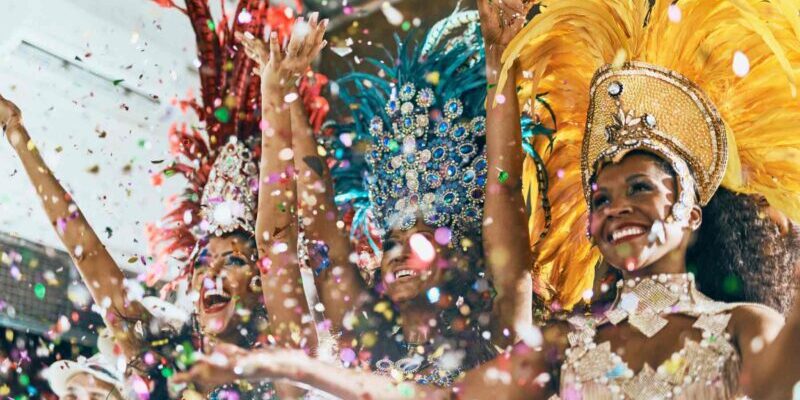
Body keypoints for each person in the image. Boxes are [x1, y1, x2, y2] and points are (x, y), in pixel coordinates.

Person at [175, 0, 800, 398]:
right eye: (601, 197)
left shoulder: (743, 327)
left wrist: (505, 66)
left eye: (640, 187)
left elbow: (505, 204)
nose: (617, 208)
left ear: (692, 212)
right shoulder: (565, 343)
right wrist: (282, 366)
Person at [175, 8, 537, 393]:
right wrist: (286, 92)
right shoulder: (364, 339)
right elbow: (318, 229)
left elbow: (505, 186)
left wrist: (500, 60)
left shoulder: (497, 334)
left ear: (459, 255)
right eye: (392, 243)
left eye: (418, 240)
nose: (397, 254)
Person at [0, 6, 329, 399]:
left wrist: (274, 94)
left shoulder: (284, 363)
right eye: (204, 263)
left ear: (260, 286)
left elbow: (277, 238)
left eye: (235, 261)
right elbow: (86, 254)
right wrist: (16, 133)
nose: (213, 273)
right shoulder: (159, 358)